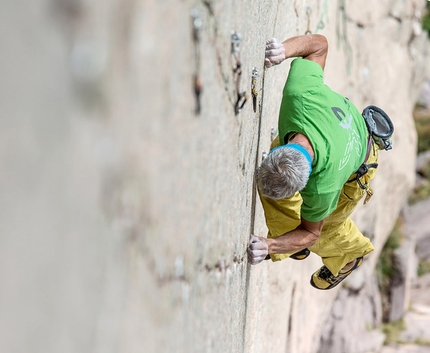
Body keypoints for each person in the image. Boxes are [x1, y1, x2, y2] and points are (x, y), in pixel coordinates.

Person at [247, 34, 392, 290]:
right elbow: (319, 45)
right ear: (280, 150)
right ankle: (291, 244)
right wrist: (283, 51)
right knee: (270, 187)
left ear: (308, 183)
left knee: (325, 229)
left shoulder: (323, 187)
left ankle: (348, 256)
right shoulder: (298, 95)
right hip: (336, 131)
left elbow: (311, 232)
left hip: (359, 164)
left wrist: (269, 246)